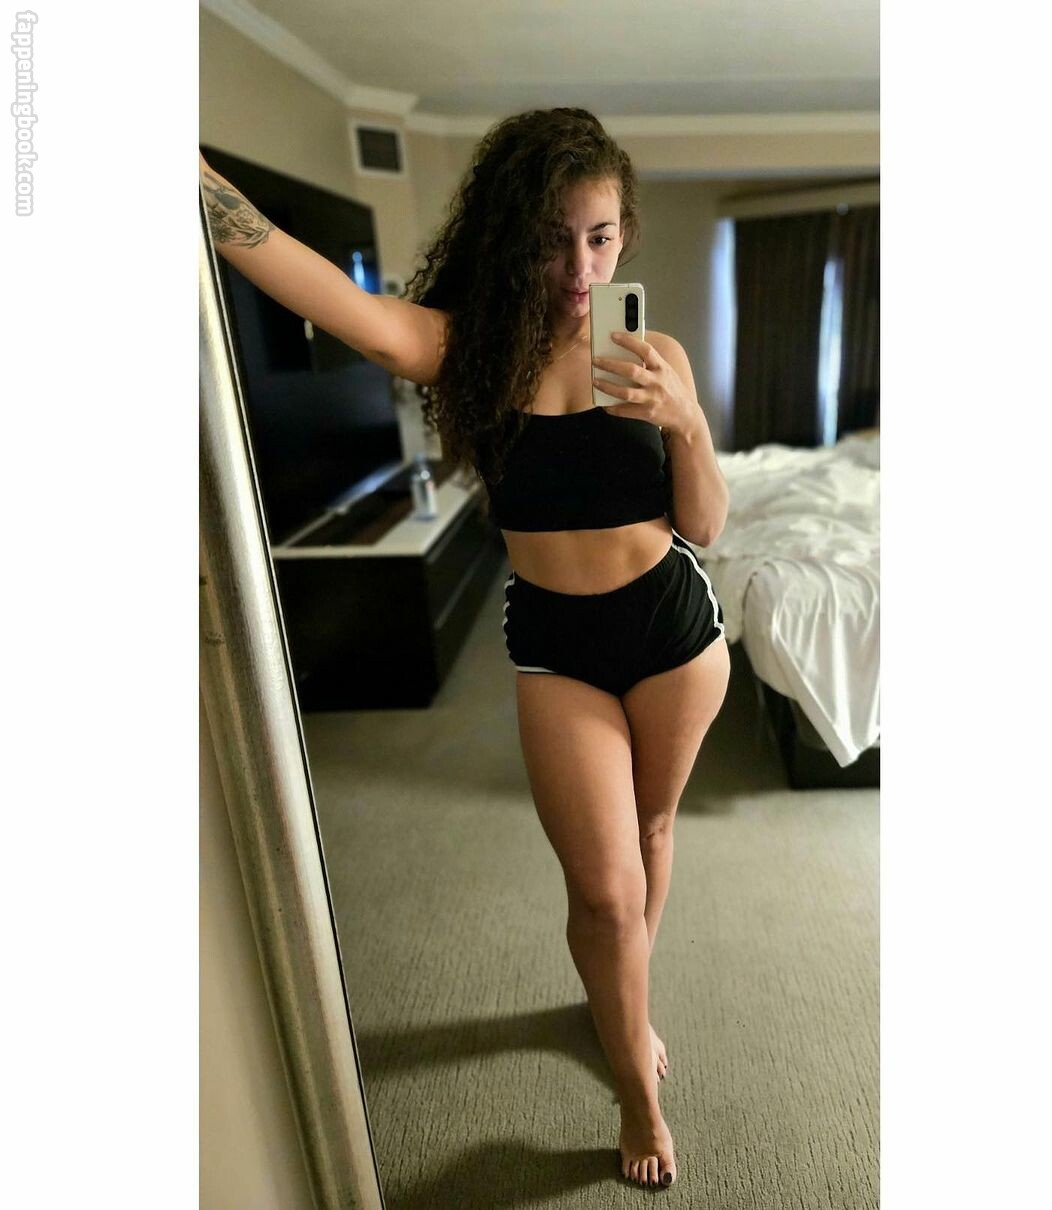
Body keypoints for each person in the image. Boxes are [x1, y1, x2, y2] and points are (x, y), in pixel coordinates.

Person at [200, 106, 731, 1191]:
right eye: (552, 241)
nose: (580, 270)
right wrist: (193, 183)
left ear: (622, 233)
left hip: (674, 630)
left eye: (599, 238)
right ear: (511, 239)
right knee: (604, 892)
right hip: (559, 647)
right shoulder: (467, 351)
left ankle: (626, 1004)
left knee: (653, 829)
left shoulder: (653, 352)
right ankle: (635, 1086)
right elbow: (337, 300)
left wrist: (685, 420)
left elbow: (707, 526)